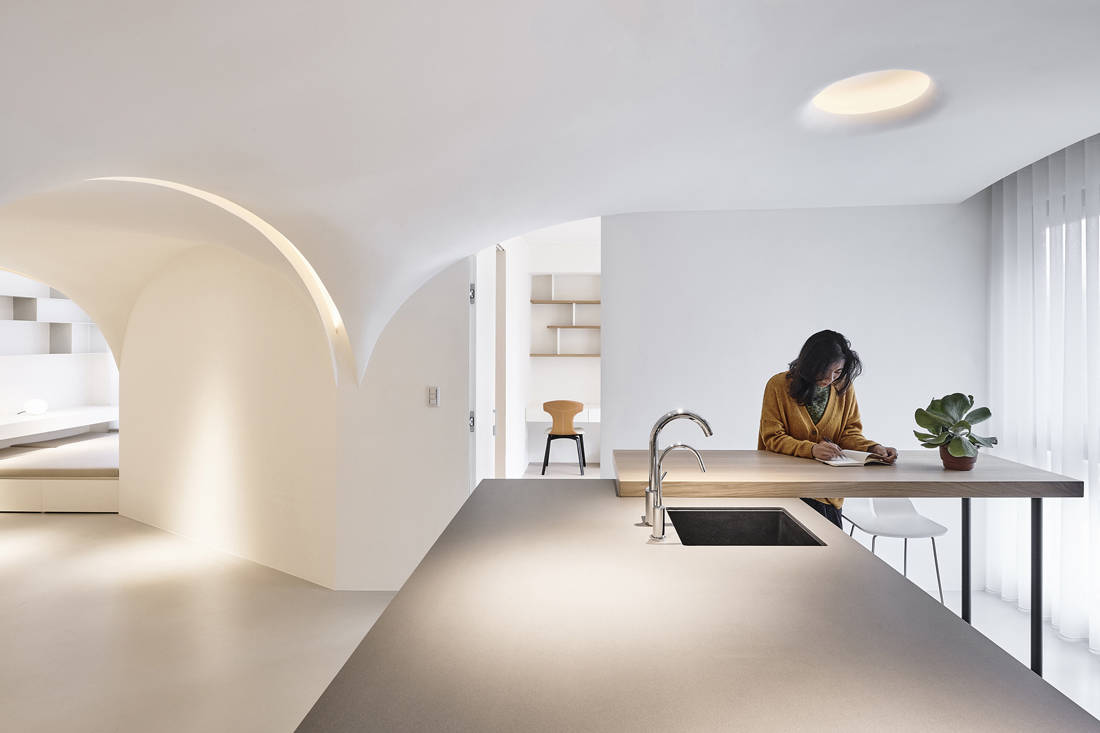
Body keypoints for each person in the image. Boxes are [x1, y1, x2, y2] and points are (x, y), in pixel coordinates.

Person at [757, 330, 897, 528]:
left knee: (829, 558)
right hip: (786, 490)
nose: (830, 378)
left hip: (827, 494)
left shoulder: (843, 388)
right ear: (810, 364)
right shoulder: (778, 385)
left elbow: (849, 433)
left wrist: (872, 448)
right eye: (824, 371)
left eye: (837, 372)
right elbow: (772, 437)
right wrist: (812, 450)